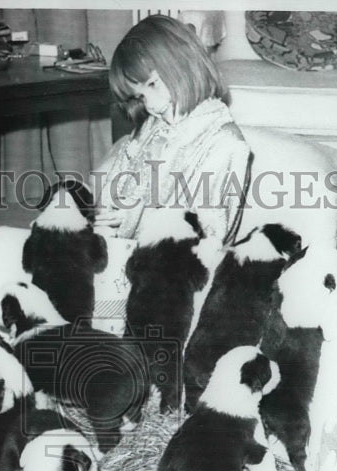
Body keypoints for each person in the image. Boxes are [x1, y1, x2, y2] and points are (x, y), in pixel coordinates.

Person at [90, 14, 252, 331]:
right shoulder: (154, 126)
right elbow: (117, 192)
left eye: (152, 84)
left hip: (176, 283)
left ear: (185, 64)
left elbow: (204, 238)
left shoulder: (225, 144)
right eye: (139, 95)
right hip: (130, 261)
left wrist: (128, 222)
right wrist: (102, 217)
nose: (149, 104)